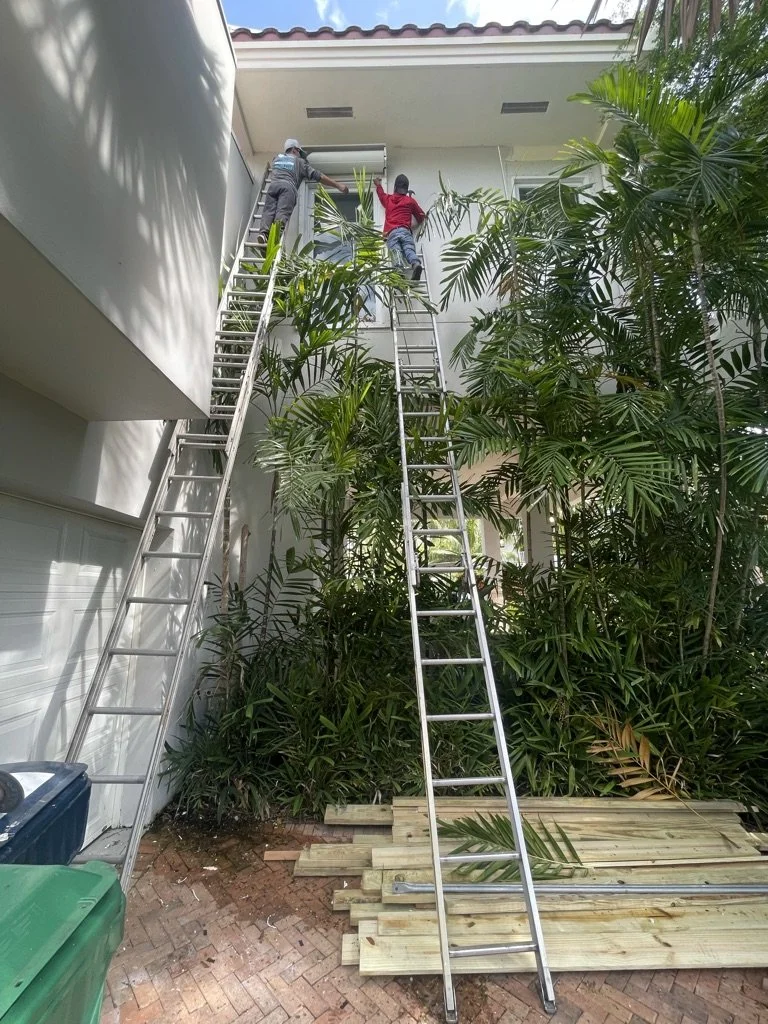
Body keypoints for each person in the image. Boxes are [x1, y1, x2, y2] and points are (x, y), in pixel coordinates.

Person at [258, 139, 349, 241]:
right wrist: (338, 185)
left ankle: (263, 233)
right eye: (299, 152)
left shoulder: (276, 159)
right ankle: (275, 237)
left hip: (273, 186)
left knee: (268, 210)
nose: (300, 155)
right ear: (294, 150)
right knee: (282, 212)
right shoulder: (299, 162)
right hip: (288, 188)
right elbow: (318, 176)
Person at [373, 174, 426, 281]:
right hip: (405, 231)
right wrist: (413, 223)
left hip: (392, 233)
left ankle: (399, 271)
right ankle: (416, 264)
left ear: (395, 187)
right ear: (406, 189)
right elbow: (421, 216)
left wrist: (378, 185)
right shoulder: (409, 201)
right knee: (409, 249)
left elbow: (381, 195)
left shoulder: (388, 199)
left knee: (396, 251)